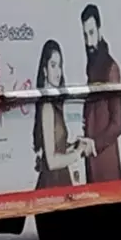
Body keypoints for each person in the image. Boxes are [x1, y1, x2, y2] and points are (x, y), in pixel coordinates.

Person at [80, 5, 121, 184]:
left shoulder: (110, 68)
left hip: (105, 162)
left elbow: (117, 124)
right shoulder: (93, 64)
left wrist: (94, 145)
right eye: (85, 35)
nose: (89, 42)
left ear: (99, 30)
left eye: (91, 33)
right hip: (93, 160)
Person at [33, 39, 78, 189]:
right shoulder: (47, 107)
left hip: (60, 179)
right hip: (53, 182)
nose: (58, 71)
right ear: (44, 70)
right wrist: (78, 154)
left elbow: (57, 146)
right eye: (53, 65)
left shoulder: (54, 105)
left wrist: (74, 146)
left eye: (60, 65)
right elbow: (52, 162)